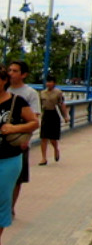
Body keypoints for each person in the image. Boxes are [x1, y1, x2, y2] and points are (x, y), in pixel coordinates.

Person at [0, 65, 39, 245]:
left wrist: (14, 129)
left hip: (8, 157)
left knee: (1, 200)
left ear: (4, 81)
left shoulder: (17, 101)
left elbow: (34, 121)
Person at [7, 61, 40, 216]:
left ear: (23, 74)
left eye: (15, 71)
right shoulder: (3, 90)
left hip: (18, 140)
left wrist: (26, 139)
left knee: (17, 178)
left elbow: (35, 119)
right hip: (3, 139)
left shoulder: (30, 93)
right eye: (9, 70)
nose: (11, 73)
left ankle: (10, 206)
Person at [39, 75, 69, 165]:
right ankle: (44, 158)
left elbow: (61, 104)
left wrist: (65, 116)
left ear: (54, 83)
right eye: (47, 82)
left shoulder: (58, 93)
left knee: (52, 138)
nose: (48, 83)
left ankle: (56, 149)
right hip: (46, 114)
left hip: (54, 114)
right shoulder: (42, 93)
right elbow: (40, 104)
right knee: (43, 137)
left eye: (50, 82)